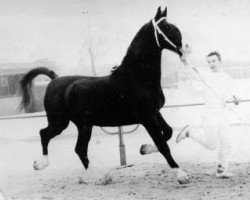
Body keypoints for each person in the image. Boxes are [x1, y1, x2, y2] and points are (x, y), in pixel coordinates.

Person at [177, 51, 240, 178]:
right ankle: (189, 132)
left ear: (220, 62)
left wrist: (235, 100)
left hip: (223, 115)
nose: (211, 64)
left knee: (226, 141)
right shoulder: (205, 76)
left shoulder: (226, 77)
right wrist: (184, 61)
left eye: (214, 61)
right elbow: (192, 71)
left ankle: (222, 170)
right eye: (209, 62)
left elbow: (231, 95)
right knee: (211, 145)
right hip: (210, 115)